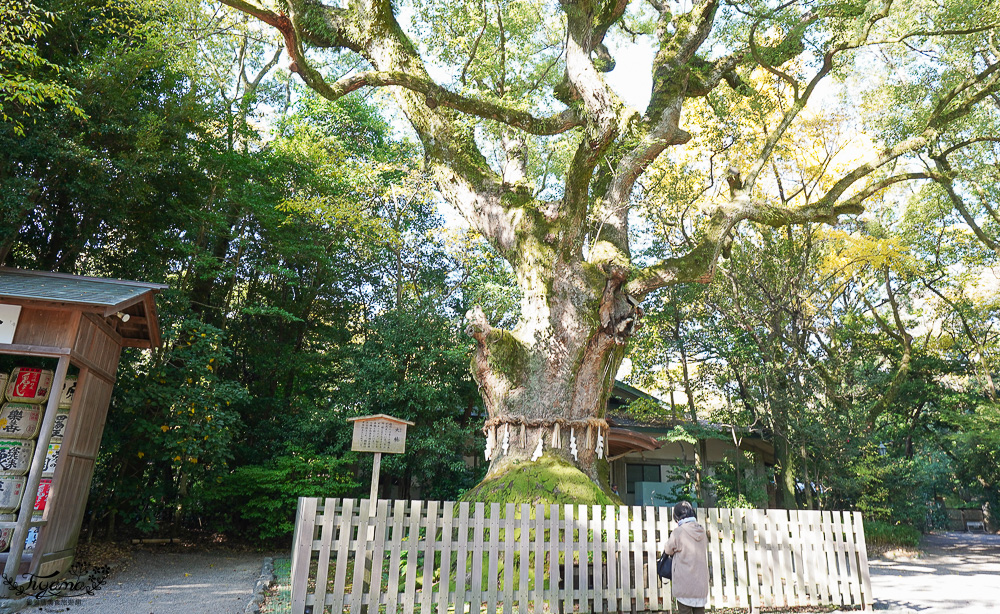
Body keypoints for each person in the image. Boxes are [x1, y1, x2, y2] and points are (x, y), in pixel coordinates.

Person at [662, 501, 709, 614]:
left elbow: (668, 549)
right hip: (700, 586)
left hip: (684, 586)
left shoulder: (679, 532)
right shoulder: (702, 531)